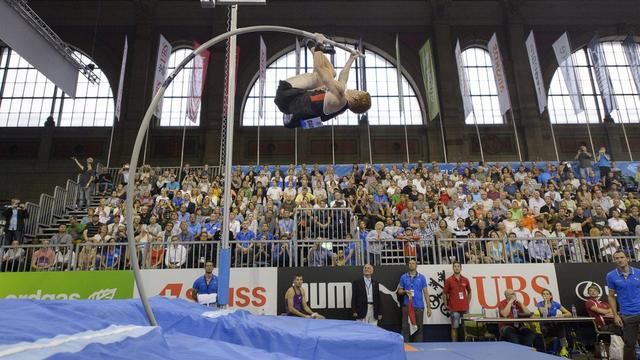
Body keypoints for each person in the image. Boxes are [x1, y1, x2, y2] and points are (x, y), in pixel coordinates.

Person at [274, 37, 370, 129]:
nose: (355, 89)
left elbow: (319, 67)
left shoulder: (340, 95)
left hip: (287, 96)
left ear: (356, 97)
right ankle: (311, 45)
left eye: (358, 91)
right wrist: (351, 59)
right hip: (290, 105)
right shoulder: (342, 104)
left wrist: (319, 42)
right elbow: (343, 80)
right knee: (331, 73)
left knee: (320, 75)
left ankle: (314, 46)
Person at [607, 249, 640, 360]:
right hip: (627, 314)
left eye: (622, 257)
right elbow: (611, 296)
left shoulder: (638, 272)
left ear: (627, 258)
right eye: (617, 258)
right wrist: (615, 315)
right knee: (629, 344)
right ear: (615, 260)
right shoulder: (611, 276)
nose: (620, 260)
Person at [397, 259, 432, 342]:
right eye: (410, 263)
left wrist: (429, 307)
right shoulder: (403, 277)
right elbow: (399, 291)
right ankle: (405, 347)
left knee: (419, 329)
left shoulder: (422, 277)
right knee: (405, 327)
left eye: (413, 263)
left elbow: (426, 293)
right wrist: (405, 291)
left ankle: (418, 348)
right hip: (407, 306)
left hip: (419, 306)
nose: (411, 265)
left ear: (416, 266)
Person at [536, 288, 571, 356]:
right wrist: (546, 302)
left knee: (562, 326)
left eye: (547, 294)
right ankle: (562, 347)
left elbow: (569, 313)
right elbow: (545, 314)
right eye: (543, 294)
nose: (545, 295)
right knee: (561, 328)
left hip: (555, 324)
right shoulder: (540, 304)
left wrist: (559, 315)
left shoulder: (555, 304)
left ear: (551, 296)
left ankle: (564, 348)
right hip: (545, 326)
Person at [443, 261, 471, 342]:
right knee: (454, 327)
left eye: (458, 266)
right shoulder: (449, 280)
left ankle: (466, 344)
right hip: (454, 309)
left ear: (461, 268)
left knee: (466, 328)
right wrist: (445, 304)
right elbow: (444, 293)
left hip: (465, 309)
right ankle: (454, 345)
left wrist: (467, 303)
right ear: (453, 268)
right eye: (455, 266)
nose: (456, 268)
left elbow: (469, 292)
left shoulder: (465, 280)